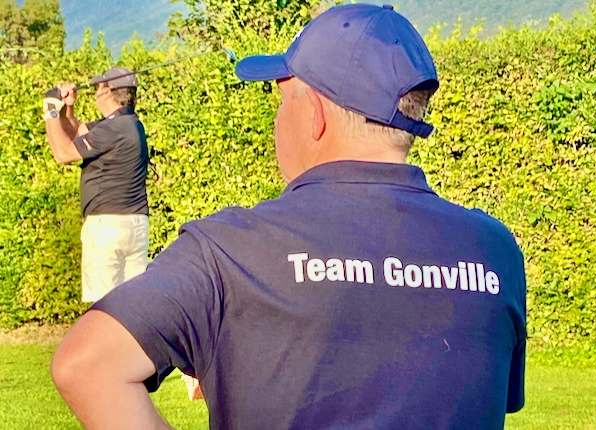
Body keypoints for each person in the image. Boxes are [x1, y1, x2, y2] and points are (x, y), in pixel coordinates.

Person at [50, 4, 527, 430]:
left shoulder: (229, 250)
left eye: (283, 100)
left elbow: (86, 364)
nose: (280, 119)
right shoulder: (494, 252)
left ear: (315, 113)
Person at [43, 68, 150, 303]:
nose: (94, 92)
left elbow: (63, 153)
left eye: (97, 87)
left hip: (107, 226)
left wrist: (51, 110)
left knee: (105, 307)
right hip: (135, 224)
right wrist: (68, 108)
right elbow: (77, 134)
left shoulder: (113, 128)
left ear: (107, 91)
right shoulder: (128, 124)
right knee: (132, 306)